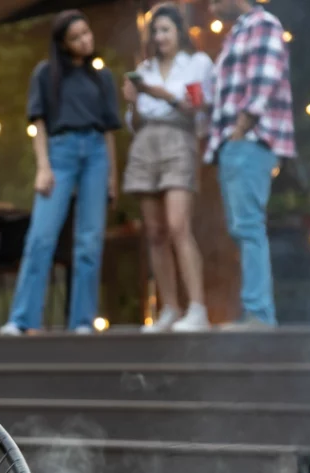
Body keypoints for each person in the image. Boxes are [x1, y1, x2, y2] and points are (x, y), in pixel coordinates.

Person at [0, 10, 122, 336]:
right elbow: (38, 124)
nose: (86, 40)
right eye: (77, 37)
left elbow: (109, 131)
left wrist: (113, 177)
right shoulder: (46, 74)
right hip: (60, 152)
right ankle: (22, 319)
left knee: (89, 240)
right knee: (41, 238)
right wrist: (43, 166)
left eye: (87, 32)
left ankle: (82, 321)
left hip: (96, 153)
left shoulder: (102, 77)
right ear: (64, 44)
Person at [122, 4, 215, 333]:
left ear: (179, 32)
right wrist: (133, 100)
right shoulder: (144, 69)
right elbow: (132, 124)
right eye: (156, 31)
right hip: (145, 144)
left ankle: (198, 308)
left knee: (178, 225)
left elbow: (197, 109)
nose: (160, 37)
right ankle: (170, 308)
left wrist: (157, 93)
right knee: (155, 232)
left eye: (166, 30)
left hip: (179, 141)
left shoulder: (198, 63)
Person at [205, 0, 296, 328]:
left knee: (248, 227)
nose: (211, 5)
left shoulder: (263, 24)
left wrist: (241, 130)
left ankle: (259, 315)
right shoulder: (238, 32)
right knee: (243, 227)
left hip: (251, 139)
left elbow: (264, 81)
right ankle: (255, 313)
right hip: (236, 142)